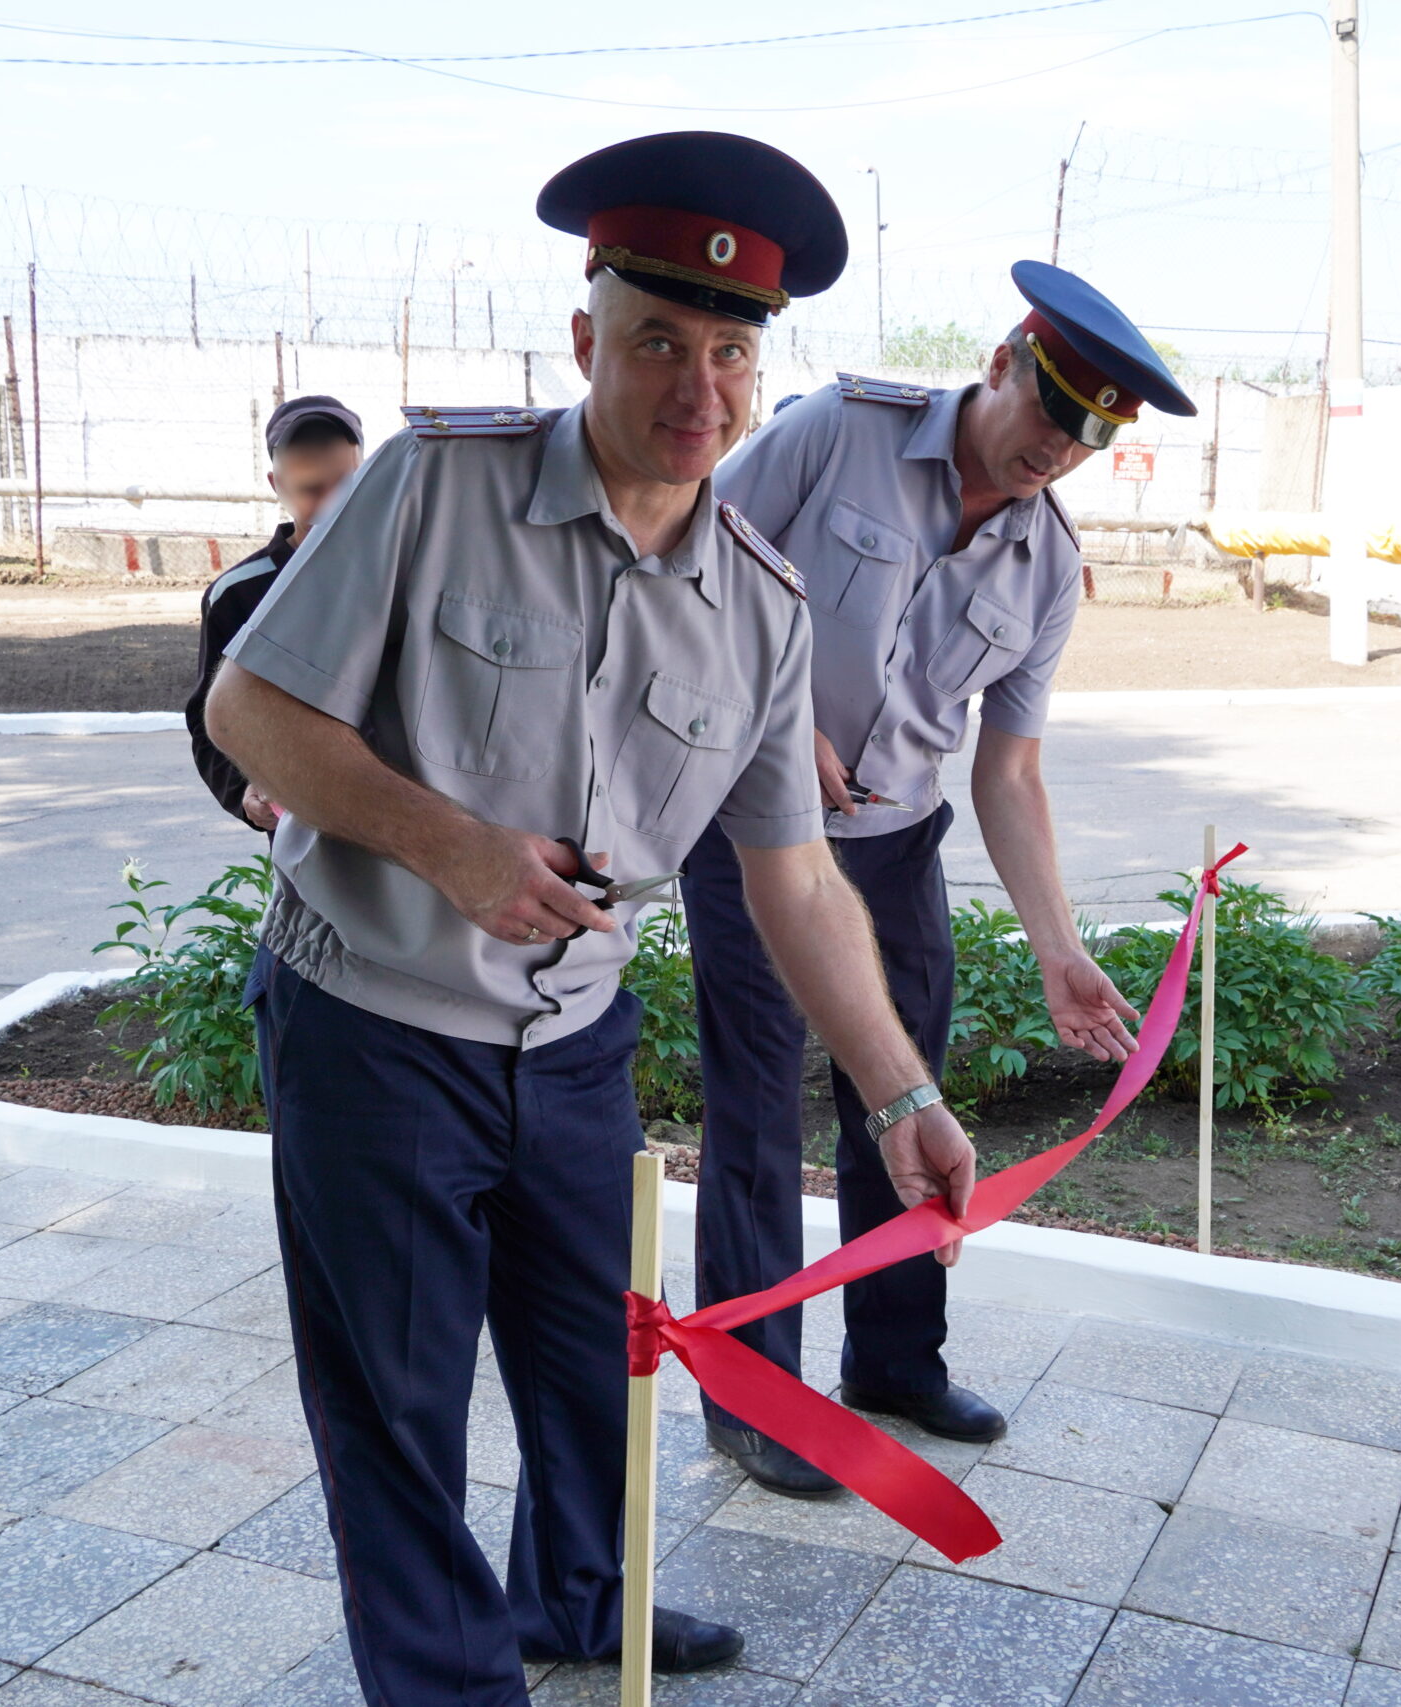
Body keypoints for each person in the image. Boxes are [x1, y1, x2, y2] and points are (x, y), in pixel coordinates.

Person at [201, 132, 978, 1707]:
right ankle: (450, 1682)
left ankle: (579, 1596)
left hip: (569, 1047)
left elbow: (797, 875)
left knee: (591, 1374)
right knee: (398, 1410)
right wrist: (452, 847)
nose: (698, 387)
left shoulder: (762, 601)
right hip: (378, 1025)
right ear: (585, 342)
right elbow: (251, 706)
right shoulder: (437, 482)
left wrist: (900, 1095)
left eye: (731, 353)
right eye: (659, 344)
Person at [683, 261, 1196, 1498]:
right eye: (1047, 421)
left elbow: (1008, 773)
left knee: (905, 1101)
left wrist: (1059, 946)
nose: (1054, 457)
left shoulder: (1045, 566)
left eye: (1085, 445)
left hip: (895, 845)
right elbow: (688, 560)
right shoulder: (836, 435)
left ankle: (894, 1361)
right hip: (750, 831)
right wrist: (771, 714)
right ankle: (754, 1398)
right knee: (755, 1106)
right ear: (1004, 364)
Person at [184, 394, 365, 830]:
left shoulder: (406, 577)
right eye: (310, 489)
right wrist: (243, 791)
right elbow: (212, 722)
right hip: (305, 833)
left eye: (345, 483)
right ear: (275, 484)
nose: (331, 502)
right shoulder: (237, 595)